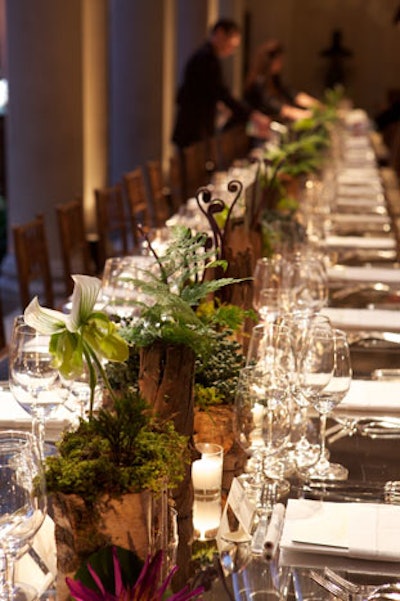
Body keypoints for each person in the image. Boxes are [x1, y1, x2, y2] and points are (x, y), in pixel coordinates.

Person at [172, 18, 270, 149]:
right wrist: (251, 114)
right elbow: (220, 92)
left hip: (195, 126)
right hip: (194, 127)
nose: (232, 50)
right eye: (232, 45)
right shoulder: (206, 58)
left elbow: (211, 92)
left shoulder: (207, 56)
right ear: (220, 33)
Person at [244, 40, 319, 122]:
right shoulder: (258, 82)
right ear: (270, 61)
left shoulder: (274, 78)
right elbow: (275, 105)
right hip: (258, 127)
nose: (281, 63)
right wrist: (303, 114)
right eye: (279, 60)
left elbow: (292, 94)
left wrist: (317, 105)